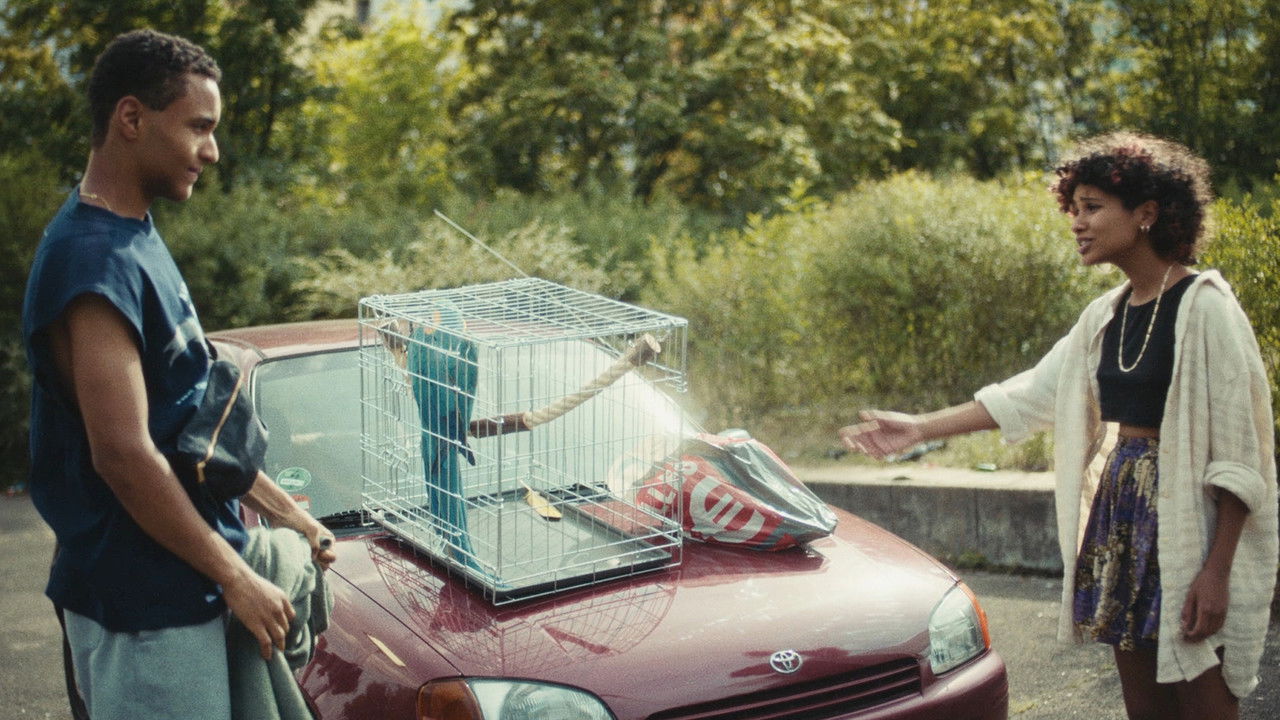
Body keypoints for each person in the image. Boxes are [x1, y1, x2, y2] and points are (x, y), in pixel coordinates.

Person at [839, 132, 1276, 720]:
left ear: (1147, 213)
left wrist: (1216, 572)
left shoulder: (1206, 306)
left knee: (1204, 703)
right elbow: (1033, 393)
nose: (1077, 222)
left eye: (1093, 207)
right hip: (1123, 518)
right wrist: (919, 428)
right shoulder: (1105, 315)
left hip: (1187, 527)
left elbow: (1241, 455)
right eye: (1073, 209)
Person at [21, 29, 336, 720]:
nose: (212, 150)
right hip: (140, 611)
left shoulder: (134, 234)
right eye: (199, 127)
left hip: (182, 590)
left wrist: (288, 518)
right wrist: (237, 579)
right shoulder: (90, 262)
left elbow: (186, 425)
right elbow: (126, 456)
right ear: (132, 119)